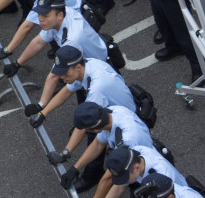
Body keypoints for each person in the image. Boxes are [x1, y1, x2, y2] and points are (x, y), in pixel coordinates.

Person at [30, 46, 136, 191]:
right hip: (113, 111)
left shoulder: (97, 90)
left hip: (126, 123)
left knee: (122, 167)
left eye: (64, 72)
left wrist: (65, 153)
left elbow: (84, 126)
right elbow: (67, 91)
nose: (61, 77)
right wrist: (43, 113)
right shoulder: (86, 67)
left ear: (77, 67)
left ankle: (97, 175)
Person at [0, 0, 107, 103]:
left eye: (45, 15)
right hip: (82, 66)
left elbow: (54, 76)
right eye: (39, 14)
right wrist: (17, 63)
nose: (40, 19)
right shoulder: (58, 17)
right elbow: (38, 42)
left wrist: (40, 106)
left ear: (59, 15)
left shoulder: (72, 39)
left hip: (98, 74)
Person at [56, 102, 153, 193]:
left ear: (96, 130)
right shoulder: (111, 113)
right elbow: (98, 144)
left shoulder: (127, 140)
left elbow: (108, 178)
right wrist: (74, 169)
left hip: (144, 174)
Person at [104, 145, 188, 195]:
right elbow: (119, 187)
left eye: (125, 178)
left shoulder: (163, 176)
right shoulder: (135, 155)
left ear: (137, 167)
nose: (123, 181)